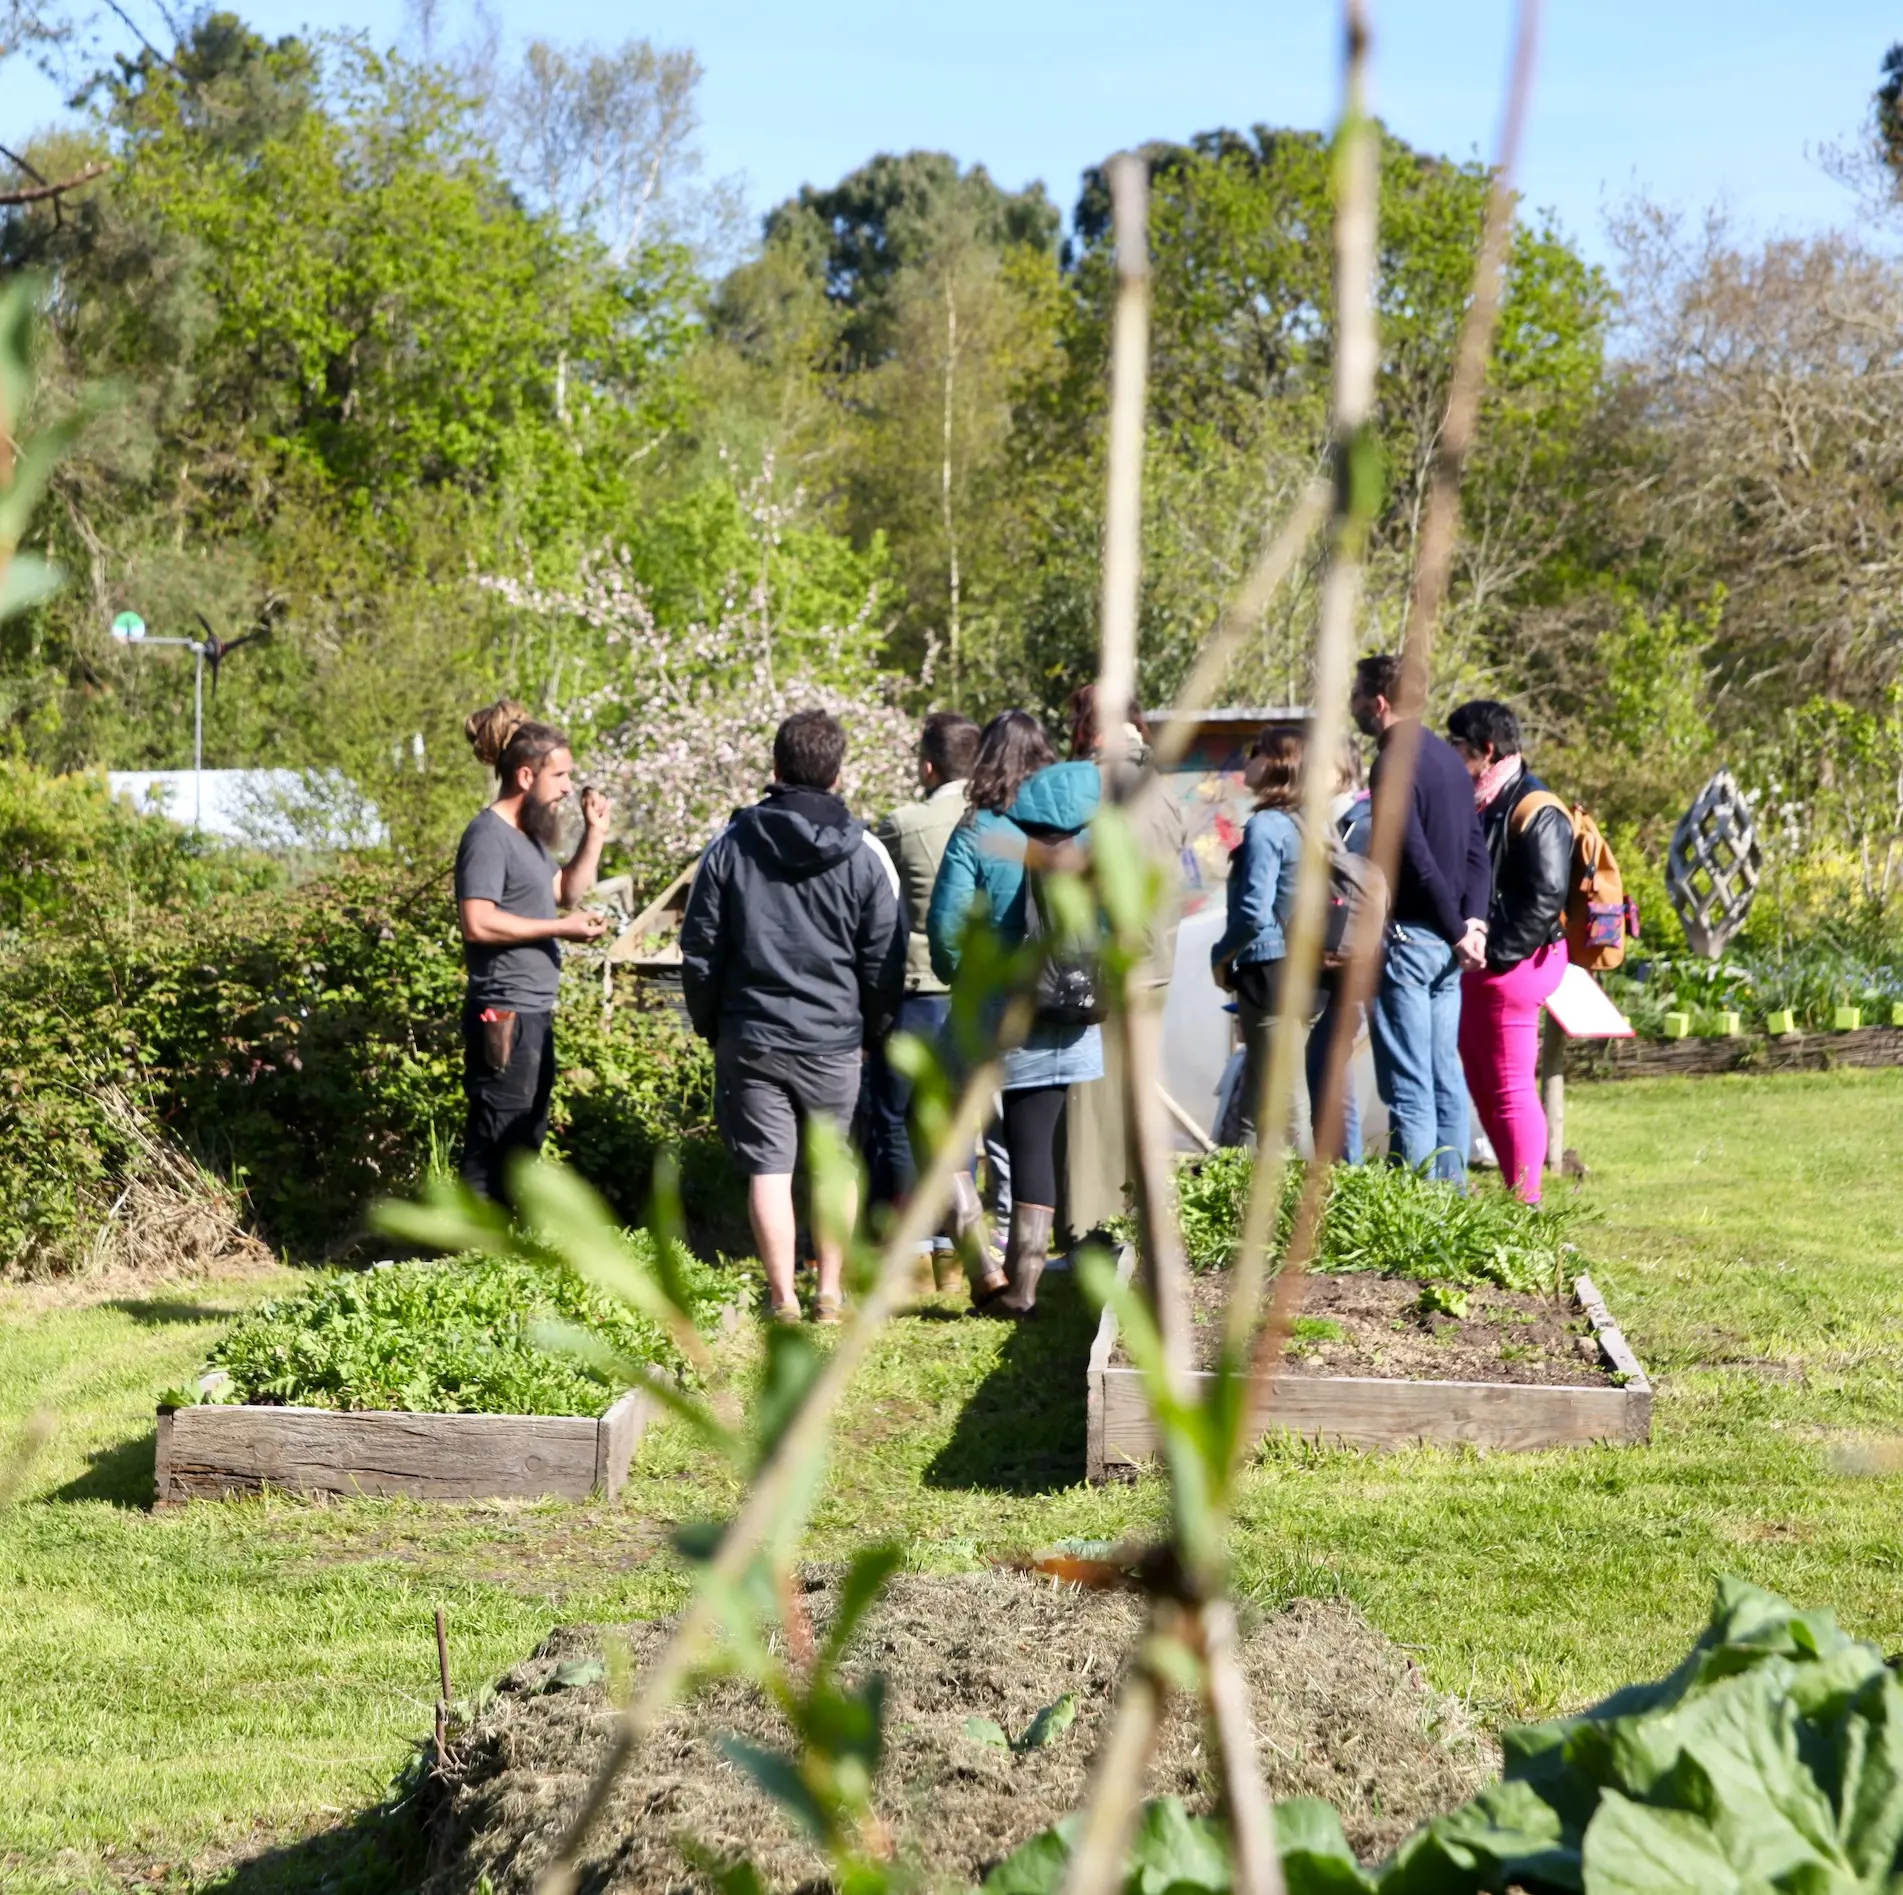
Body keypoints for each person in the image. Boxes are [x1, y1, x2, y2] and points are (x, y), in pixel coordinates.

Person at [679, 710, 905, 1325]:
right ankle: (829, 1293)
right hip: (835, 1039)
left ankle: (782, 1299)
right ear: (837, 772)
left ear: (775, 768)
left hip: (751, 1035)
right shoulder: (865, 854)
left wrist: (710, 1024)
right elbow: (886, 957)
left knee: (769, 1170)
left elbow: (699, 948)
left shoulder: (729, 846)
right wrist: (873, 1030)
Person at [927, 710, 1102, 1317]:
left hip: (989, 1011)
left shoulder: (980, 829)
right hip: (1064, 1008)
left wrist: (960, 979)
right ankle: (1025, 1292)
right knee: (1033, 1144)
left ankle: (981, 1264)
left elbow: (946, 928)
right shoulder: (1083, 832)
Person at [455, 701, 611, 1203]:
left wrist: (595, 834)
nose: (568, 786)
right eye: (559, 775)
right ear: (526, 775)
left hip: (531, 1009)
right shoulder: (488, 836)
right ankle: (471, 1259)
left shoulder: (528, 839)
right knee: (496, 1137)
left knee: (524, 1134)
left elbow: (566, 892)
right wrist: (560, 929)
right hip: (503, 1010)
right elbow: (477, 921)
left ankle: (502, 1257)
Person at [1349, 654, 1492, 1182]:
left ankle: (1417, 1216)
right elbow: (1478, 852)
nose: (1353, 706)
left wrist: (1460, 930)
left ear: (1379, 703)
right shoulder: (1449, 760)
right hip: (1450, 948)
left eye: (1357, 695)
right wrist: (1473, 924)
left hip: (1414, 942)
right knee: (1444, 1078)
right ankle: (1451, 1206)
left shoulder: (1393, 761)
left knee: (1409, 1085)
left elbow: (1413, 855)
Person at [1062, 687, 1187, 1239]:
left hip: (1109, 961)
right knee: (1135, 1092)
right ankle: (1137, 1215)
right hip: (1156, 959)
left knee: (1092, 1104)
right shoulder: (1161, 786)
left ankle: (1092, 1228)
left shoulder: (1098, 785)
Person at [867, 711, 981, 1268]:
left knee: (899, 1116)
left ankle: (912, 1252)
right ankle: (958, 1254)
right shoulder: (1000, 820)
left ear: (929, 765)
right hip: (977, 989)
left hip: (919, 986)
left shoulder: (903, 823)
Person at [1447, 699, 1572, 1203]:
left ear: (1486, 750)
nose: (1452, 755)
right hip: (1487, 962)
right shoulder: (1483, 800)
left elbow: (1547, 896)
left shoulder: (1535, 807)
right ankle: (1515, 1190)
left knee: (1510, 1087)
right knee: (1483, 1082)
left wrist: (1497, 956)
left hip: (1515, 964)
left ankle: (1528, 1206)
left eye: (1458, 746)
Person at [1209, 729, 1303, 1148]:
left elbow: (1253, 911)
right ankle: (1237, 1197)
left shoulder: (1267, 825)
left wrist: (1220, 953)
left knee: (1288, 1101)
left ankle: (1316, 1205)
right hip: (1290, 965)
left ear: (1275, 763)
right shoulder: (1300, 821)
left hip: (1266, 968)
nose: (1246, 760)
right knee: (1255, 1095)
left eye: (1255, 753)